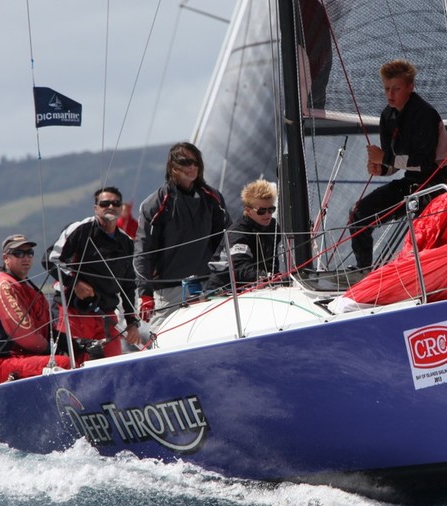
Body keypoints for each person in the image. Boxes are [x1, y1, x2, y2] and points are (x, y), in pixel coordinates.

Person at [348, 59, 447, 269]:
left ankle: (425, 270)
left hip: (437, 183)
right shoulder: (387, 115)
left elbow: (423, 163)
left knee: (423, 229)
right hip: (410, 182)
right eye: (386, 88)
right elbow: (397, 162)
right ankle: (363, 270)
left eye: (396, 89)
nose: (390, 95)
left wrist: (385, 159)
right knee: (358, 214)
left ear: (410, 87)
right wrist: (383, 169)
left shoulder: (425, 114)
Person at [134, 142, 229, 324]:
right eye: (185, 162)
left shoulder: (212, 198)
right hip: (170, 291)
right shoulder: (157, 203)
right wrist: (144, 294)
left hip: (208, 286)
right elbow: (143, 251)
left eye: (196, 162)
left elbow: (225, 241)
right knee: (163, 343)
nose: (192, 167)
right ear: (172, 166)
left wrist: (223, 279)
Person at [43, 186, 142, 359]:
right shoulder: (80, 230)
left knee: (114, 364)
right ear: (95, 208)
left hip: (107, 314)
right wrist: (75, 284)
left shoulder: (126, 242)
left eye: (115, 203)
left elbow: (128, 285)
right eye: (104, 203)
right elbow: (50, 260)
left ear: (120, 208)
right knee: (81, 363)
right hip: (75, 312)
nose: (110, 207)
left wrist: (132, 322)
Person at [0, 234, 78, 385]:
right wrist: (54, 350)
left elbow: (46, 326)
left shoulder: (25, 287)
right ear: (5, 258)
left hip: (23, 357)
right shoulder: (3, 286)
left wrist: (77, 345)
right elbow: (25, 334)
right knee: (63, 363)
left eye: (30, 253)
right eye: (18, 253)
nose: (26, 258)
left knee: (82, 357)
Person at [207, 179, 281, 292]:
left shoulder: (273, 227)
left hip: (256, 287)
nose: (267, 215)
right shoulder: (237, 233)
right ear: (248, 210)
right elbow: (240, 268)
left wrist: (276, 277)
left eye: (271, 209)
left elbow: (272, 261)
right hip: (224, 290)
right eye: (261, 211)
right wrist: (269, 277)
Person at [294, 0, 332, 110]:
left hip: (308, 112)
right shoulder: (269, 9)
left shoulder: (312, 7)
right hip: (302, 110)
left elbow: (322, 59)